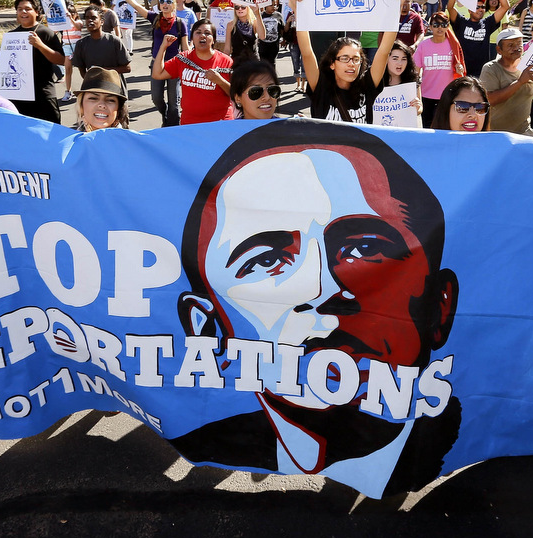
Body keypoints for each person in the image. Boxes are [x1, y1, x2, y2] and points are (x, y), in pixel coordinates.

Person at [169, 119, 463, 499]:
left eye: (363, 249)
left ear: (440, 306)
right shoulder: (206, 444)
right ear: (207, 330)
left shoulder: (478, 436)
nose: (321, 288)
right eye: (267, 260)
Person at [294, 4, 398, 124]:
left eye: (356, 59)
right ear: (332, 64)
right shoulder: (321, 86)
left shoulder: (367, 85)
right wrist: (298, 11)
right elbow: (307, 52)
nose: (351, 64)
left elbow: (384, 52)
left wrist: (395, 9)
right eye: (344, 58)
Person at [153, 19, 234, 124]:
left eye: (207, 33)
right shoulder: (183, 58)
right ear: (192, 38)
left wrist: (220, 81)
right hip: (190, 122)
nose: (202, 36)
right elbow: (157, 74)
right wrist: (163, 47)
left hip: (219, 122)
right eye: (198, 32)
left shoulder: (226, 61)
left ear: (213, 39)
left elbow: (236, 95)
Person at [126, 0, 189, 127]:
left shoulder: (180, 23)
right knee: (156, 98)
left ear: (174, 5)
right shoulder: (155, 18)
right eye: (162, 1)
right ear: (159, 5)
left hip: (173, 66)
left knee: (174, 102)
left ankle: (172, 128)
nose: (165, 4)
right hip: (156, 64)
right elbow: (137, 6)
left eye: (169, 1)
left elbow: (186, 48)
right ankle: (165, 115)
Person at [9, 0, 66, 123]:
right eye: (20, 9)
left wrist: (40, 45)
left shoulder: (46, 33)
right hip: (19, 96)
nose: (23, 12)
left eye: (28, 9)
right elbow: (4, 67)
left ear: (36, 12)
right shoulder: (11, 36)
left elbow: (61, 60)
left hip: (43, 95)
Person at [479, 27, 533, 135]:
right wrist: (519, 82)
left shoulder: (529, 66)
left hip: (524, 133)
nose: (516, 48)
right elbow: (490, 99)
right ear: (499, 50)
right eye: (510, 45)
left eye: (519, 43)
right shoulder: (490, 68)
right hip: (496, 135)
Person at [415, 12, 461, 127]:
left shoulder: (454, 45)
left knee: (445, 127)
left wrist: (459, 69)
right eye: (436, 25)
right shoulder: (423, 45)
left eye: (443, 24)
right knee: (428, 128)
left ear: (448, 26)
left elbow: (460, 68)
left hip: (448, 95)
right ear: (430, 27)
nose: (440, 28)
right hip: (426, 95)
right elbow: (415, 71)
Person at [70, 7, 132, 88]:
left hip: (114, 88)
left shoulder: (114, 41)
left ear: (102, 21)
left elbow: (127, 68)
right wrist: (91, 80)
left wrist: (103, 71)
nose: (90, 21)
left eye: (93, 18)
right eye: (87, 18)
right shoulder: (81, 44)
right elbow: (82, 70)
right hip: (93, 89)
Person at [448, 0, 509, 77]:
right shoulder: (461, 22)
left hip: (482, 73)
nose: (480, 9)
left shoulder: (487, 23)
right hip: (463, 71)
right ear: (469, 10)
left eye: (483, 7)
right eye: (477, 7)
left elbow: (505, 6)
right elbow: (450, 7)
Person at [76, 66, 129, 131]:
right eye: (93, 98)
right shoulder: (68, 140)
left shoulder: (129, 141)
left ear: (118, 109)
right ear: (81, 105)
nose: (102, 105)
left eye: (110, 100)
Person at [258, 1, 283, 68]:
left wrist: (283, 40)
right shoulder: (260, 15)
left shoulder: (278, 15)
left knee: (272, 63)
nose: (273, 7)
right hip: (262, 45)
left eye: (275, 5)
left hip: (274, 45)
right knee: (263, 64)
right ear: (266, 5)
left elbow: (282, 29)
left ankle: (272, 77)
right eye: (271, 5)